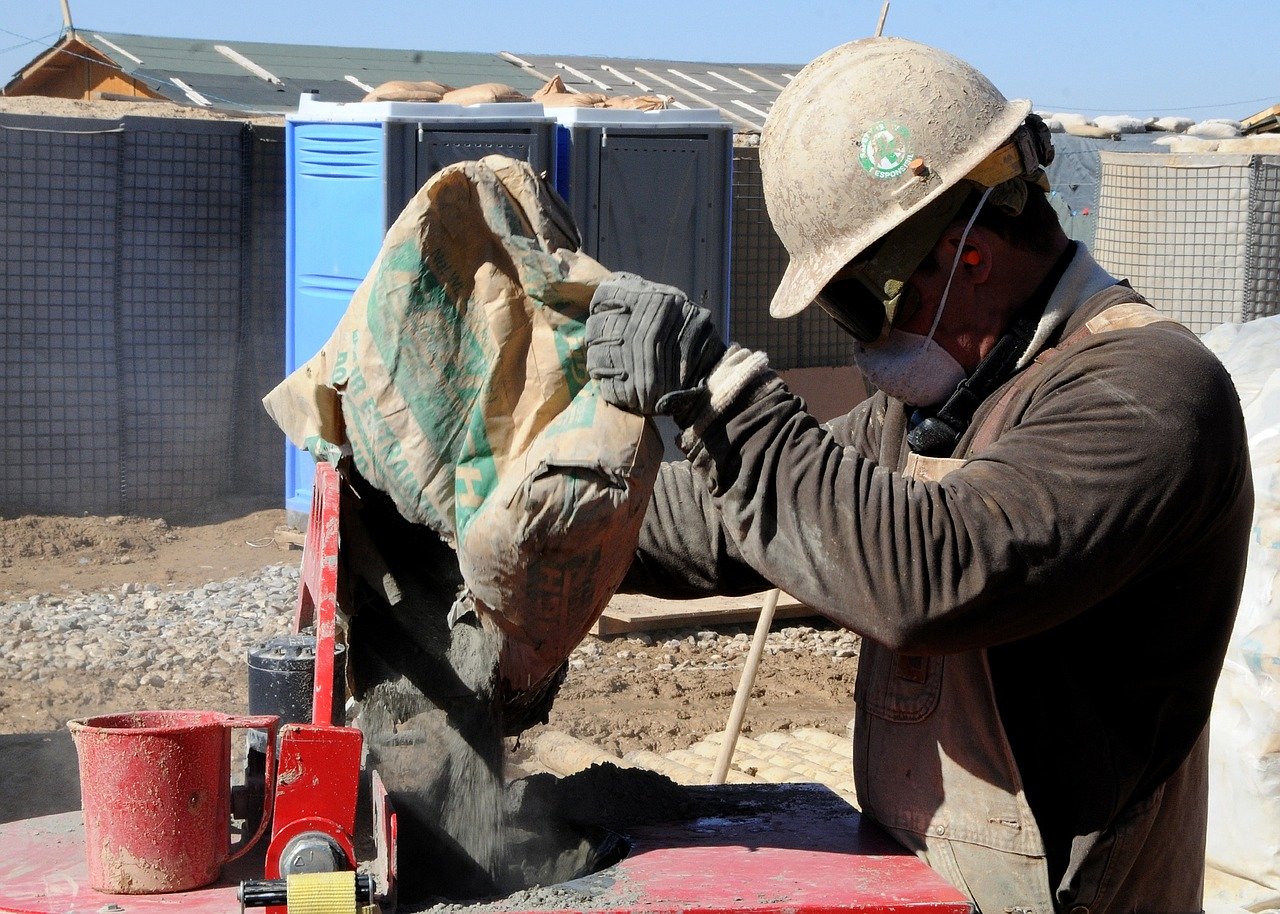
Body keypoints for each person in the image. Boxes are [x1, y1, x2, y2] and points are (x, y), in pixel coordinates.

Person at [584, 37, 1253, 914]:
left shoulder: (1149, 395)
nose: (860, 344)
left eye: (858, 303)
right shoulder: (952, 406)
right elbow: (726, 518)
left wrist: (721, 396)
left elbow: (931, 573)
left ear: (968, 257)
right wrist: (528, 507)